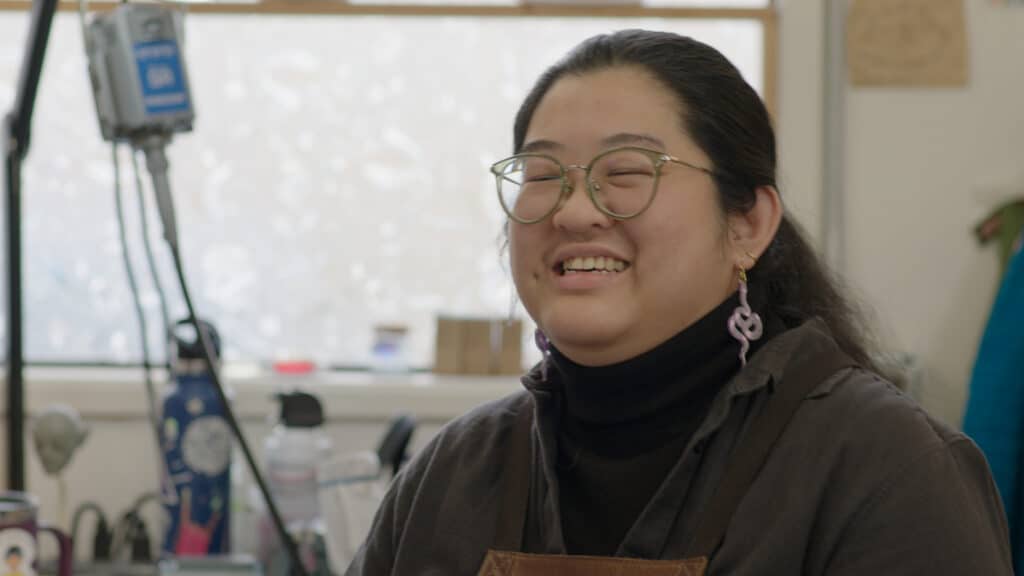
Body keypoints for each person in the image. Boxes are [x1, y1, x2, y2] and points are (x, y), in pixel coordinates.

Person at [345, 30, 1012, 575]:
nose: (576, 212)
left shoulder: (884, 468)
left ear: (748, 224)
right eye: (543, 175)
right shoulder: (456, 471)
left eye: (628, 173)